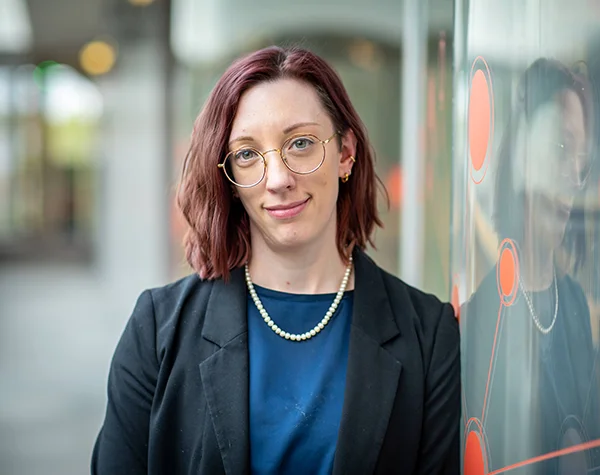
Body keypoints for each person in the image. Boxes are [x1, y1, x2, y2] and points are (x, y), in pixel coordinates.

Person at [91, 45, 460, 475]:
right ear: (228, 179)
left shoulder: (428, 335)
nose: (279, 179)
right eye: (247, 154)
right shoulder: (156, 329)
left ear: (345, 153)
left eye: (300, 144)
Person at [462, 58, 599, 474]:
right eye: (560, 147)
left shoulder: (574, 303)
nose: (574, 178)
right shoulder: (479, 317)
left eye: (581, 158)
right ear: (521, 154)